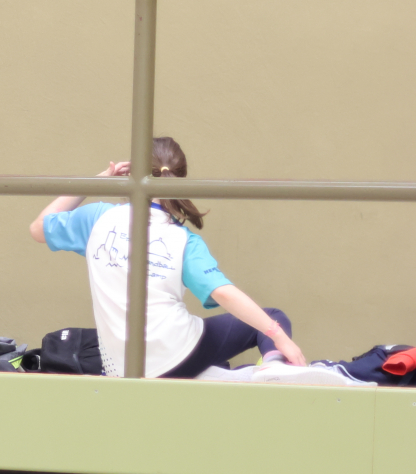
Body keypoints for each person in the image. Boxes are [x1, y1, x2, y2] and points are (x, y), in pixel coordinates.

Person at [30, 136, 304, 378]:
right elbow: (223, 292)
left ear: (132, 174)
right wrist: (278, 336)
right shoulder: (184, 240)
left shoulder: (97, 219)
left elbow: (38, 228)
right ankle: (273, 368)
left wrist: (98, 180)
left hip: (123, 368)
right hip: (179, 357)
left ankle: (223, 372)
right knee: (272, 317)